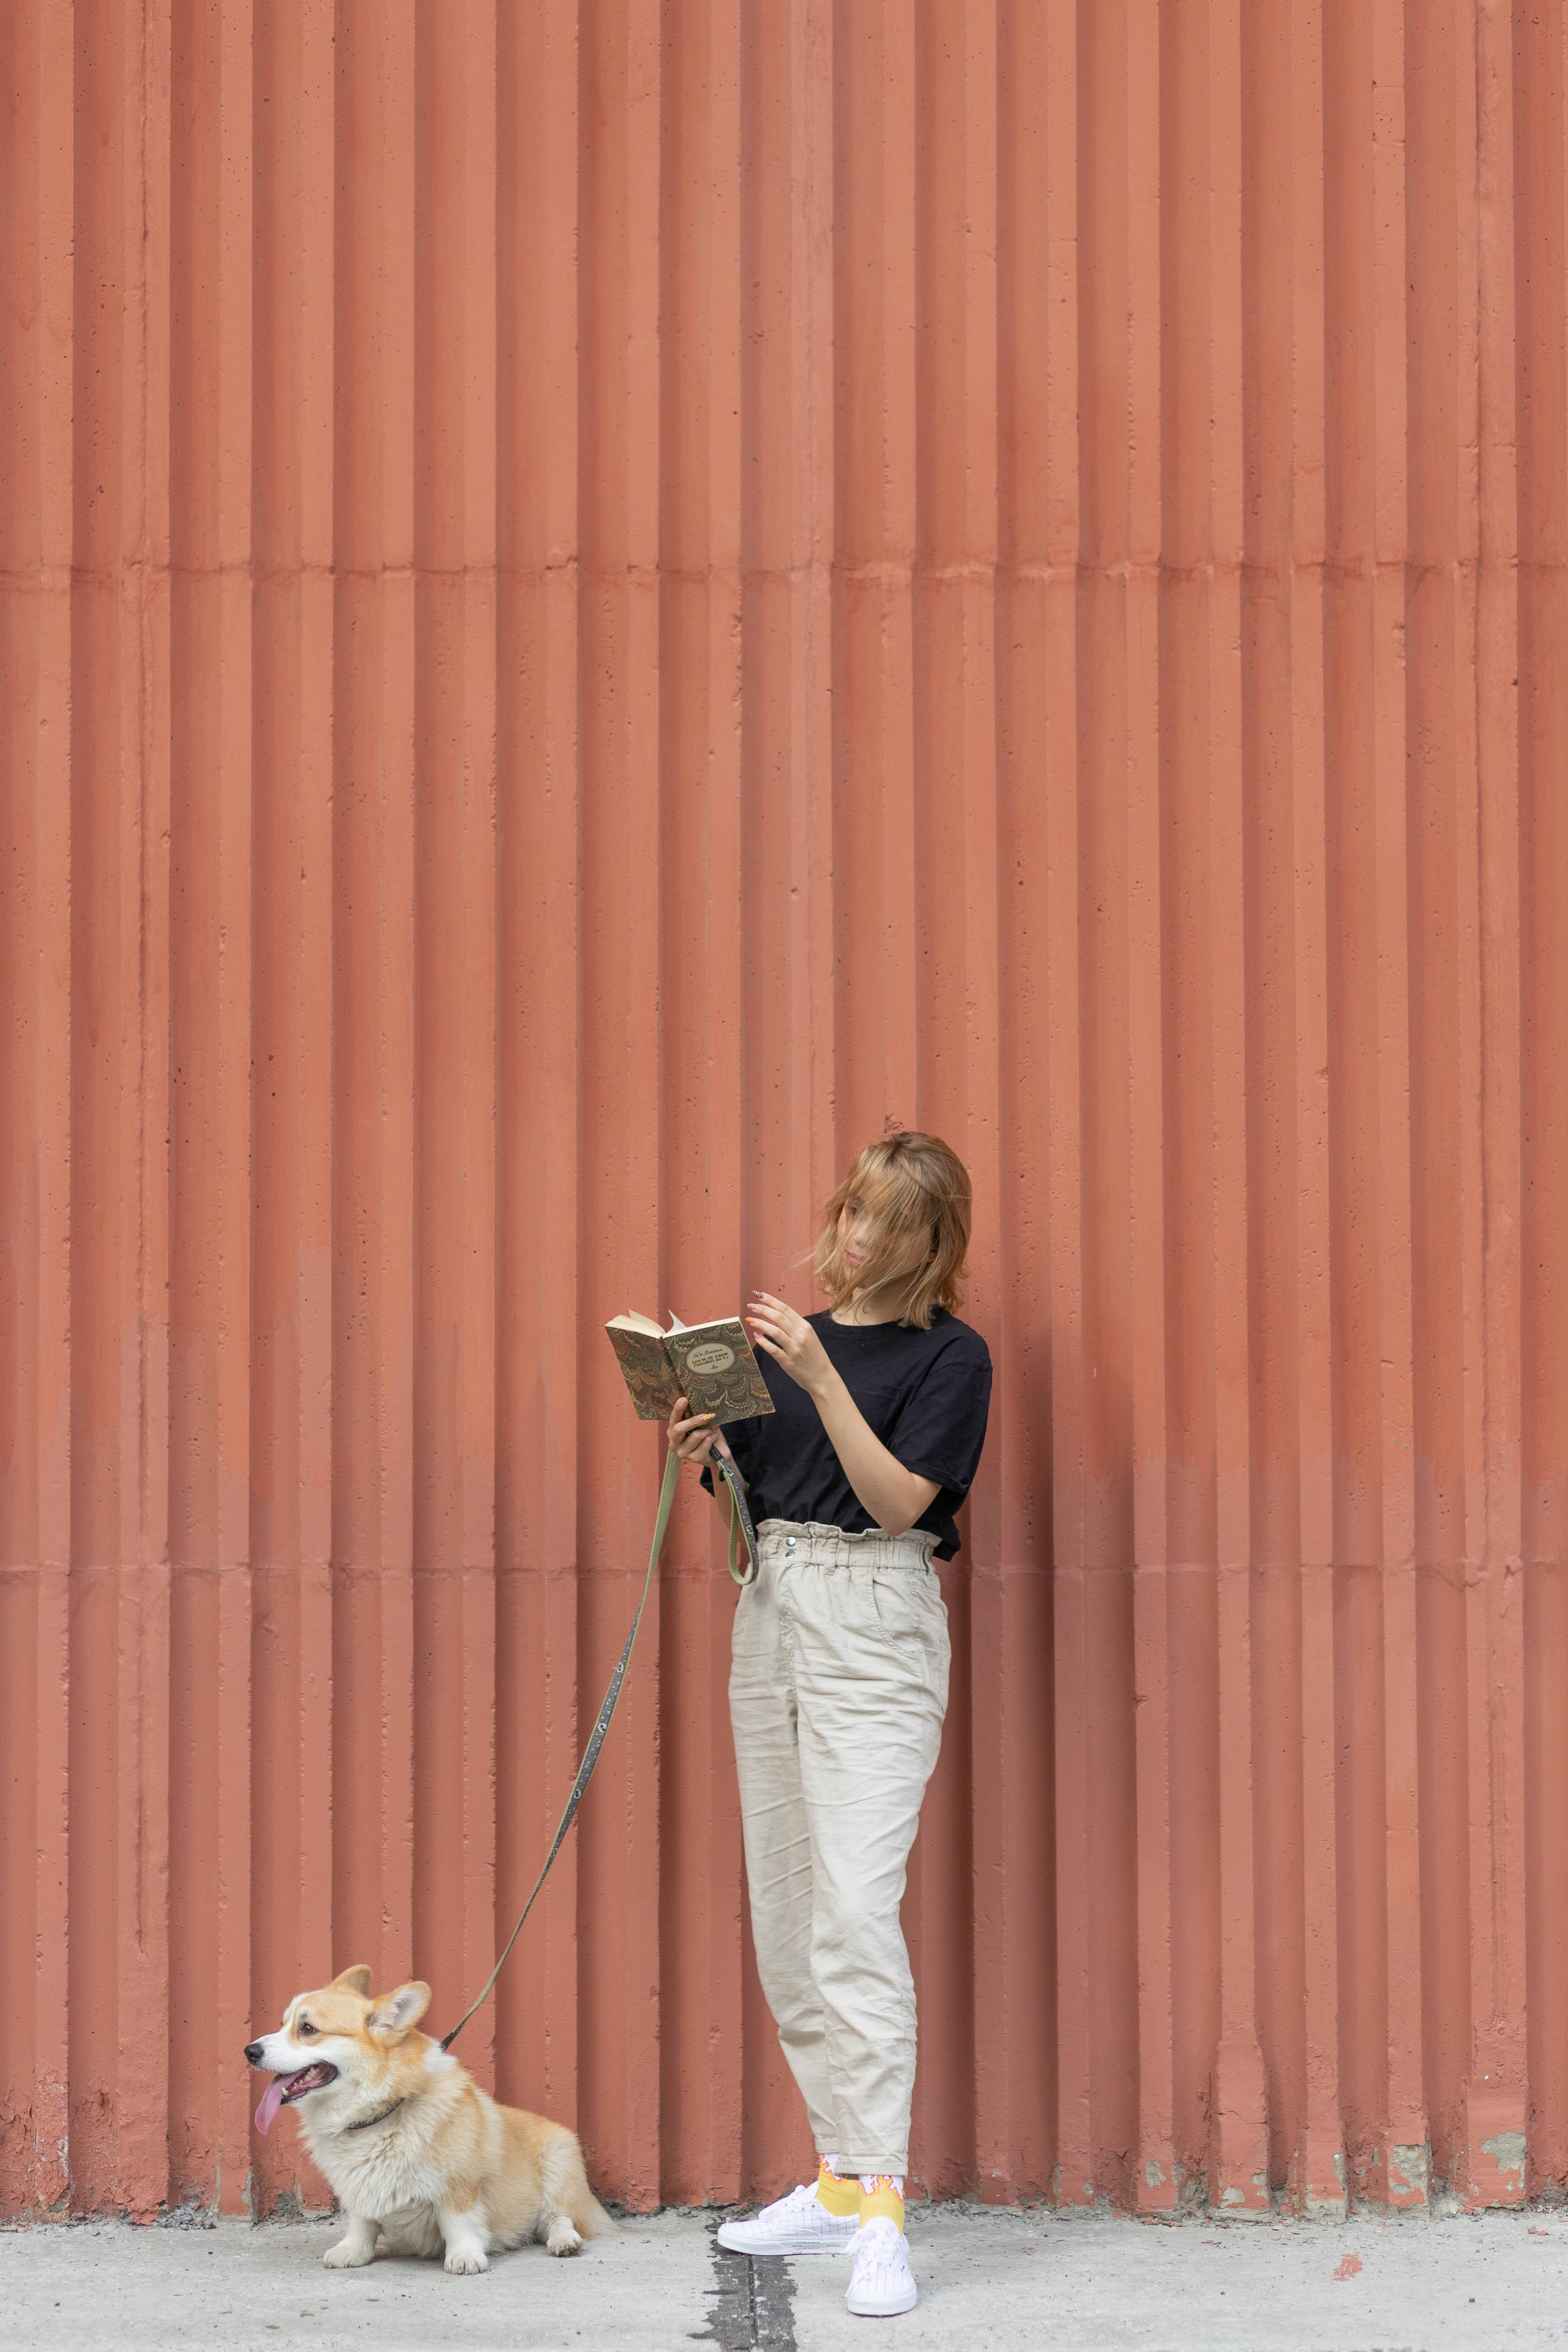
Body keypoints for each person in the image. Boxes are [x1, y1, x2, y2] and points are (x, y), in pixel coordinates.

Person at [667, 1131, 992, 2320]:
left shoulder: (947, 1356)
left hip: (874, 1612)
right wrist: (710, 1460)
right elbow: (750, 1535)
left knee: (856, 1909)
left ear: (927, 1243)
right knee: (793, 1911)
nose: (854, 1239)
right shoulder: (780, 1345)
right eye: (850, 1212)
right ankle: (841, 2178)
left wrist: (814, 1379)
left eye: (883, 1223)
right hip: (775, 1609)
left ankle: (884, 2210)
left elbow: (903, 1499)